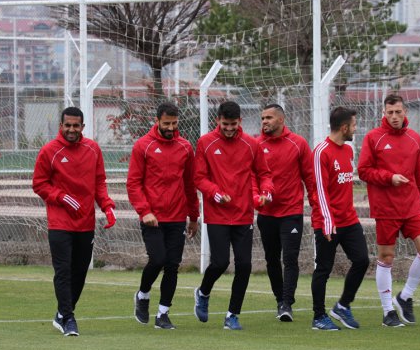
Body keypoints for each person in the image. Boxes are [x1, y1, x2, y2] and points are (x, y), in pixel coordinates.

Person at [32, 106, 116, 336]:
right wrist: (61, 197)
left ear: (82, 127)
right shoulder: (50, 151)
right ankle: (68, 318)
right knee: (63, 271)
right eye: (67, 125)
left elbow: (99, 182)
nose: (71, 129)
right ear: (61, 126)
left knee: (79, 272)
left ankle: (63, 313)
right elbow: (39, 183)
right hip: (59, 223)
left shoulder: (93, 149)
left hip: (85, 222)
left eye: (75, 126)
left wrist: (107, 207)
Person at [193, 101, 274, 330]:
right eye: (225, 124)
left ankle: (232, 315)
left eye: (233, 124)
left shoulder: (251, 144)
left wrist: (267, 192)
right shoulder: (206, 143)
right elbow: (199, 178)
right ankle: (203, 292)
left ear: (240, 121)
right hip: (217, 213)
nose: (229, 128)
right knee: (220, 262)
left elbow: (265, 174)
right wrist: (216, 194)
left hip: (243, 214)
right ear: (217, 120)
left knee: (245, 265)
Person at [357, 95, 420, 328]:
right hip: (386, 208)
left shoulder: (414, 138)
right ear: (384, 113)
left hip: (411, 207)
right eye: (390, 112)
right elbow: (363, 171)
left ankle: (404, 296)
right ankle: (387, 311)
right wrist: (389, 178)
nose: (394, 117)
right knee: (387, 258)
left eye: (398, 112)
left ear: (405, 113)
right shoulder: (374, 138)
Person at [128, 102, 200, 330]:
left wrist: (194, 216)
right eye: (166, 123)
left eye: (174, 123)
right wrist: (144, 211)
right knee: (157, 259)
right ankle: (143, 295)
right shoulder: (143, 146)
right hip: (152, 217)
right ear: (157, 121)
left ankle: (163, 314)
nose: (170, 127)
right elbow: (133, 183)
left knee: (172, 265)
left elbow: (190, 184)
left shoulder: (185, 147)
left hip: (177, 216)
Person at [253, 104, 317, 322]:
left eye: (269, 117)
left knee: (290, 258)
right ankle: (279, 299)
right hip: (266, 214)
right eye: (262, 118)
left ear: (281, 119)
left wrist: (316, 205)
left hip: (291, 212)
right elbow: (251, 176)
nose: (264, 121)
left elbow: (310, 177)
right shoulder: (256, 144)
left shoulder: (298, 143)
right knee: (272, 259)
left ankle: (287, 303)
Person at [310, 106, 370, 331]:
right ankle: (318, 316)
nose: (356, 129)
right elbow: (319, 191)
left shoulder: (348, 150)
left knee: (362, 260)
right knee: (323, 269)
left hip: (349, 219)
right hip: (327, 221)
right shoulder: (321, 152)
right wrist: (327, 220)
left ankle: (343, 305)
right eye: (354, 125)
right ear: (344, 127)